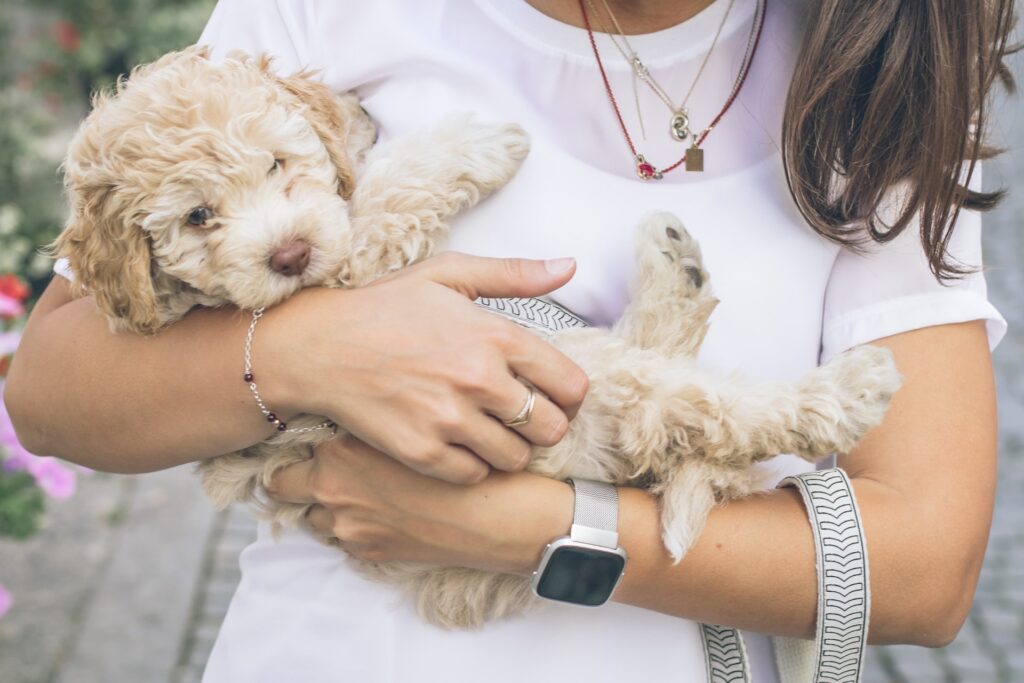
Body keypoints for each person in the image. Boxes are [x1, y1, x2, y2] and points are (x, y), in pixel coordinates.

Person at [5, 0, 1014, 680]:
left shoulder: (880, 73)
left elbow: (926, 565)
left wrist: (537, 527)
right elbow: (49, 384)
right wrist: (305, 349)